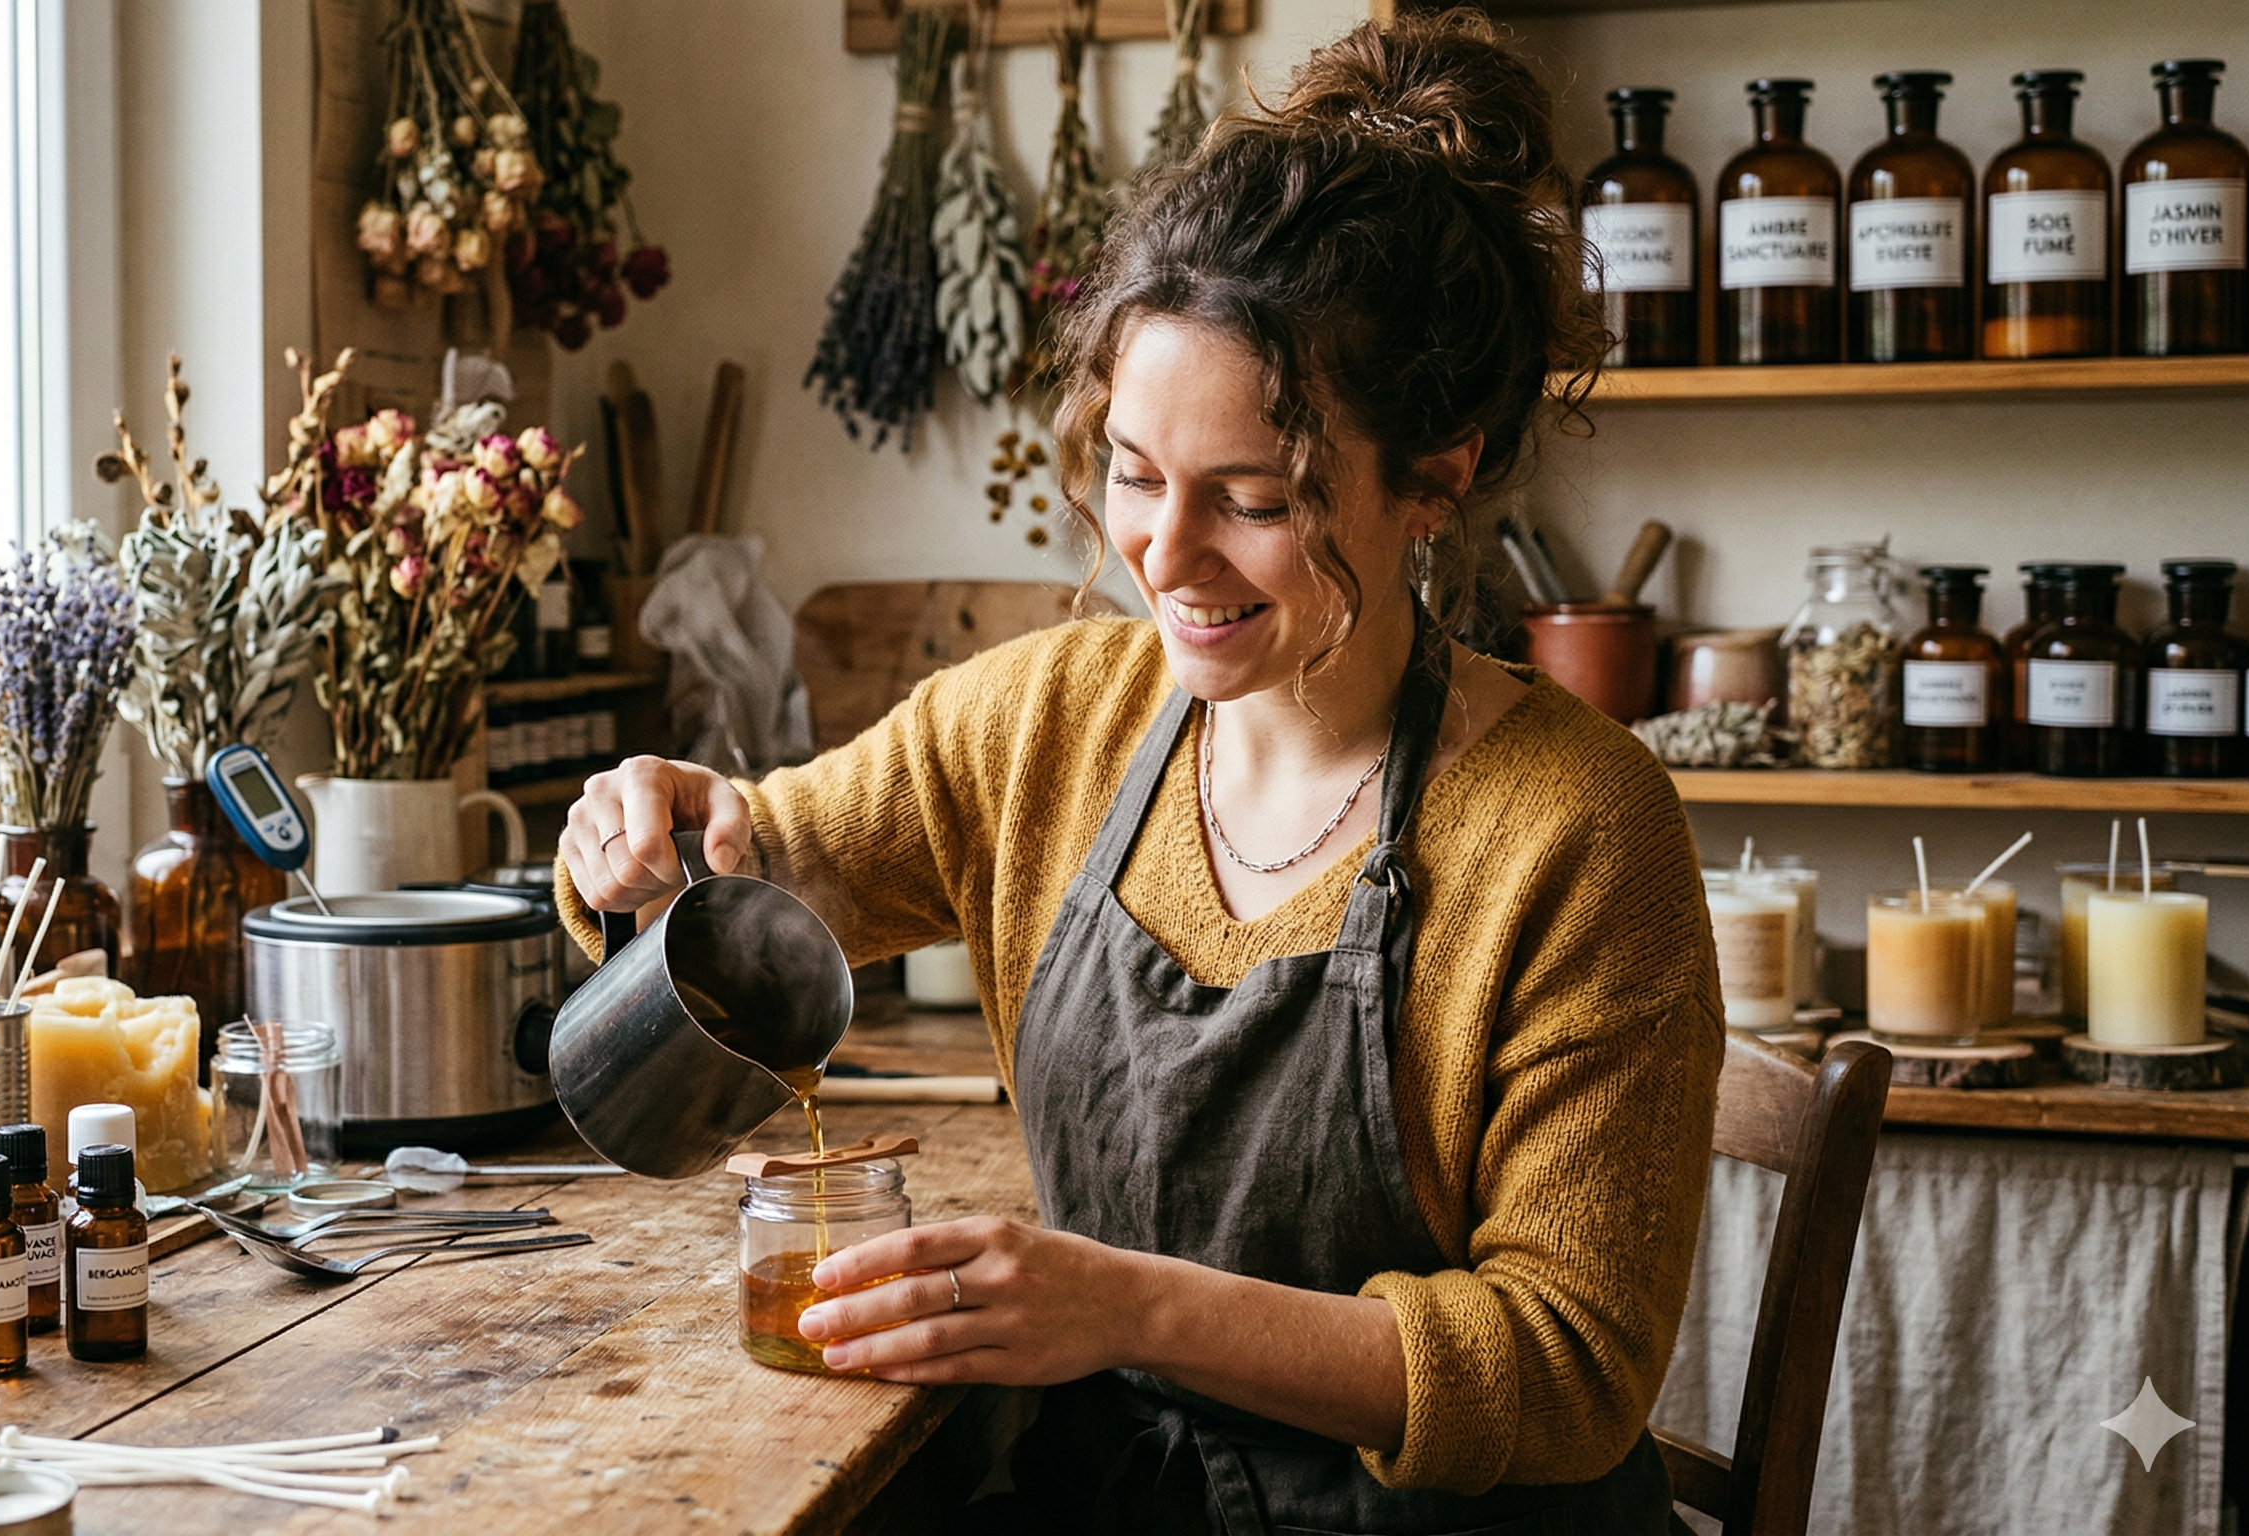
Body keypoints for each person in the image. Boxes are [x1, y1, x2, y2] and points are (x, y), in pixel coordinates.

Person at [559, 9, 1722, 1530]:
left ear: (1434, 476)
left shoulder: (1576, 831)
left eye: (1253, 499)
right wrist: (655, 835)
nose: (1165, 556)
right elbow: (769, 870)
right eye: (1134, 472)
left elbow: (1569, 1372)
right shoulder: (1048, 721)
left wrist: (1128, 1308)